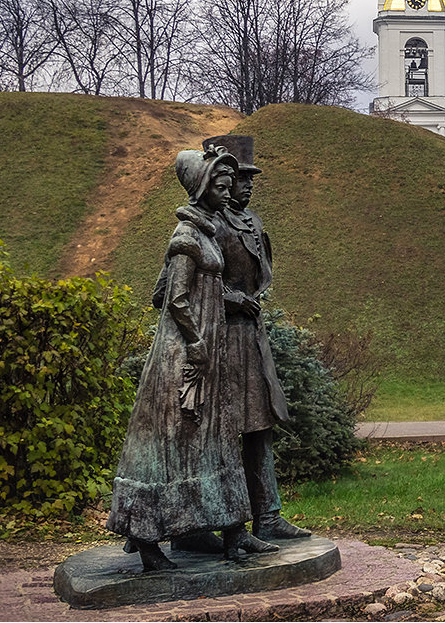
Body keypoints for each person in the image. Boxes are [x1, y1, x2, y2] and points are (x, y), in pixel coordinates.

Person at [106, 145, 278, 570]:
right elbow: (171, 297)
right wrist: (197, 340)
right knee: (174, 442)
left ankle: (235, 534)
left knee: (215, 441)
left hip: (209, 349)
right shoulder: (186, 238)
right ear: (202, 188)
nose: (230, 192)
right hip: (187, 354)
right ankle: (148, 539)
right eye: (221, 186)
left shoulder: (204, 231)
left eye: (229, 185)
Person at [203, 134, 310, 541]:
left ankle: (267, 514)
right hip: (220, 341)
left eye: (250, 179)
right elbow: (184, 285)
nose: (247, 186)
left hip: (251, 339)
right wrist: (230, 299)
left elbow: (260, 275)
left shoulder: (254, 223)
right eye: (239, 178)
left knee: (259, 425)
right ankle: (216, 522)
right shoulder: (206, 223)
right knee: (225, 430)